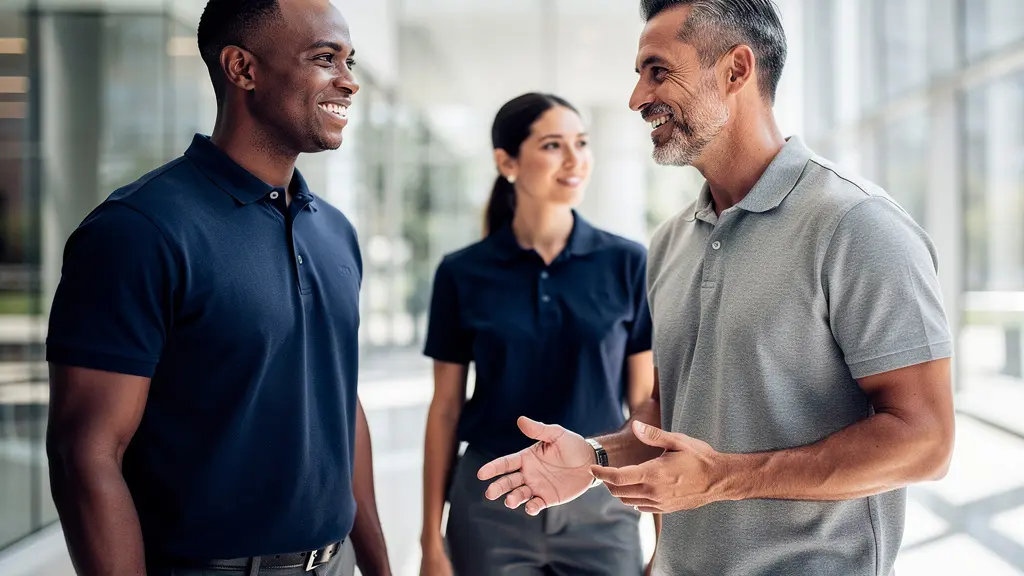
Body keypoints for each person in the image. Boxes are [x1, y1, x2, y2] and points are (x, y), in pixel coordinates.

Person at [476, 2, 956, 575]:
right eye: (638, 76)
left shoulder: (857, 226)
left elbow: (926, 441)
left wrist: (724, 479)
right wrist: (598, 456)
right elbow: (667, 413)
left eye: (658, 71)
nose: (636, 98)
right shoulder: (670, 242)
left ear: (735, 70)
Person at [44, 0, 391, 574]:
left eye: (349, 60)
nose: (348, 81)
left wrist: (377, 563)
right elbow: (86, 455)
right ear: (242, 68)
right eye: (324, 58)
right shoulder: (139, 230)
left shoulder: (334, 232)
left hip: (334, 562)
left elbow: (339, 403)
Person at [419, 93, 656, 576]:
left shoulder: (628, 263)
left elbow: (646, 405)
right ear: (506, 161)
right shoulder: (462, 273)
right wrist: (430, 543)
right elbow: (445, 409)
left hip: (603, 504)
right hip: (490, 505)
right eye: (553, 145)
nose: (575, 160)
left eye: (582, 143)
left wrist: (663, 538)